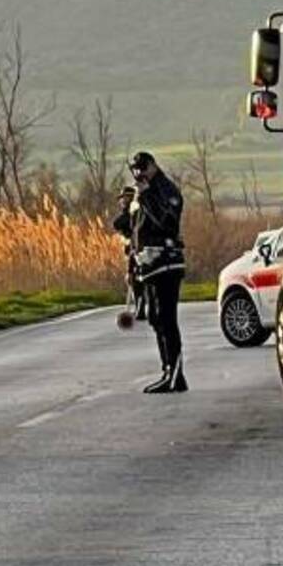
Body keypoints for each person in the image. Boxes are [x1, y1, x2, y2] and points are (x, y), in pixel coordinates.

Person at [112, 151, 187, 393]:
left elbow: (167, 222)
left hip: (166, 262)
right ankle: (167, 369)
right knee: (155, 317)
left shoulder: (166, 190)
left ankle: (175, 374)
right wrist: (127, 208)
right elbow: (129, 227)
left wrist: (144, 199)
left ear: (153, 165)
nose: (139, 173)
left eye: (142, 167)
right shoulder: (141, 194)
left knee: (166, 318)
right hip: (149, 266)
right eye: (134, 169)